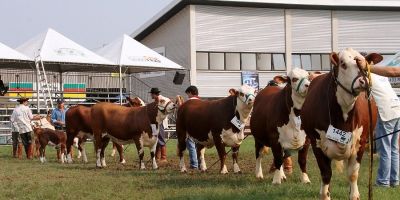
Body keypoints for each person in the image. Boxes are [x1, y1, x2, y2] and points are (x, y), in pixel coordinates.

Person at [356, 56, 400, 187]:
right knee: (394, 149)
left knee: (385, 149)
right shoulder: (381, 75)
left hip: (385, 112)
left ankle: (383, 182)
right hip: (397, 109)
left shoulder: (367, 75)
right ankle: (394, 180)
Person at [150, 88, 168, 164]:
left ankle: (163, 157)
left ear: (154, 94)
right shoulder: (157, 100)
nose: (150, 95)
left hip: (159, 122)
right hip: (155, 122)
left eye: (151, 94)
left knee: (160, 138)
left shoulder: (161, 100)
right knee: (156, 139)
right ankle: (157, 157)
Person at [184, 86, 200, 169]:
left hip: (191, 128)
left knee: (191, 146)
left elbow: (182, 111)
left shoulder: (189, 103)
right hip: (201, 128)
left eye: (188, 94)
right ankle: (201, 164)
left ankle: (194, 165)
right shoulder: (201, 102)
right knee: (199, 146)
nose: (188, 96)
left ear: (190, 92)